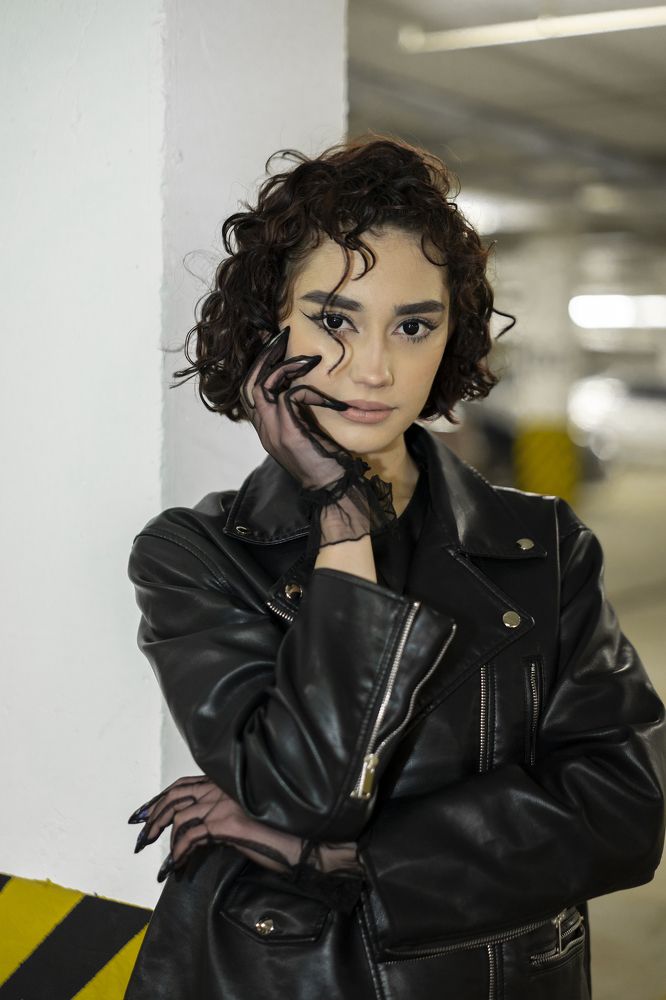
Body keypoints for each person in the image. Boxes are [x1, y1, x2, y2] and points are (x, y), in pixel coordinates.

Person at [123, 135, 666, 1000]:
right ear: (270, 331)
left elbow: (624, 814)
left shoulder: (543, 545)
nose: (375, 369)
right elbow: (308, 794)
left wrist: (346, 859)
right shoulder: (195, 555)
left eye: (413, 326)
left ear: (450, 337)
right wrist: (340, 516)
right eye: (335, 320)